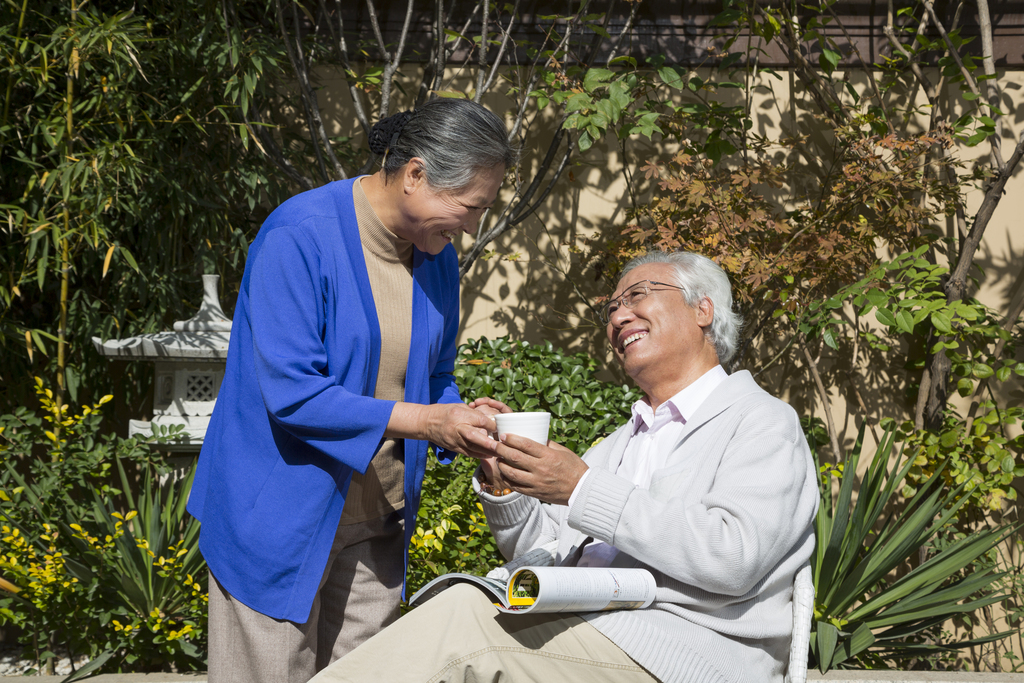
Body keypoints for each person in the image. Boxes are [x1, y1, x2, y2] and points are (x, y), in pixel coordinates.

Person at [309, 250, 820, 683]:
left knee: (458, 623)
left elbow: (733, 557)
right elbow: (542, 552)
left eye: (638, 295)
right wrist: (502, 481)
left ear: (703, 309)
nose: (618, 317)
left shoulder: (762, 422)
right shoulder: (622, 442)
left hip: (686, 656)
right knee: (466, 607)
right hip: (587, 632)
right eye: (613, 308)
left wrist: (581, 488)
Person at [186, 98, 517, 683]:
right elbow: (293, 393)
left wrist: (460, 418)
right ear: (415, 174)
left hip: (378, 521)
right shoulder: (300, 235)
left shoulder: (437, 258)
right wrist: (425, 422)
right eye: (468, 208)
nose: (470, 226)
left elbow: (434, 375)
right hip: (279, 515)